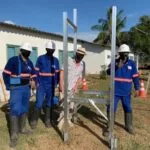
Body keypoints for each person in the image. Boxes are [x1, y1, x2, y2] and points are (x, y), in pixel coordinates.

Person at [3, 42, 36, 148]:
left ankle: (22, 129)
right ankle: (14, 136)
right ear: (21, 50)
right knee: (15, 109)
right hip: (16, 89)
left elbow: (34, 74)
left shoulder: (30, 62)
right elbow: (6, 74)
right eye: (26, 51)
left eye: (29, 51)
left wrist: (33, 81)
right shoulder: (13, 60)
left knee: (24, 108)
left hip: (26, 88)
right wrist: (9, 86)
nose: (27, 52)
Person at [106, 44, 140, 134]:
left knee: (128, 108)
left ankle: (129, 126)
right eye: (123, 53)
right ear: (119, 53)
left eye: (126, 53)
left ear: (128, 54)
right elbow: (108, 72)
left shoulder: (132, 64)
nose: (124, 55)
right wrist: (117, 66)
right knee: (111, 108)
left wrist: (137, 88)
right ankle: (109, 127)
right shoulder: (114, 62)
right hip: (115, 91)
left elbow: (135, 77)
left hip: (126, 92)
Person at [30, 40, 60, 129]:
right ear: (46, 49)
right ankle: (34, 120)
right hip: (41, 84)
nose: (51, 51)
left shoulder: (56, 60)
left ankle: (47, 121)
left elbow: (57, 73)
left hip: (51, 85)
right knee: (39, 103)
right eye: (50, 49)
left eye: (53, 49)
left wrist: (56, 84)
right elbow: (36, 71)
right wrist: (36, 82)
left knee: (49, 103)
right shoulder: (40, 58)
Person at [59, 47, 86, 127]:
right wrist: (61, 84)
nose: (80, 57)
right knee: (63, 106)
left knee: (71, 106)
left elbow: (80, 77)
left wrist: (76, 86)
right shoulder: (68, 60)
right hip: (65, 86)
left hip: (73, 88)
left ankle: (69, 119)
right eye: (79, 55)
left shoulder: (82, 64)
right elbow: (62, 72)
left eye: (82, 55)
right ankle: (62, 121)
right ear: (76, 54)